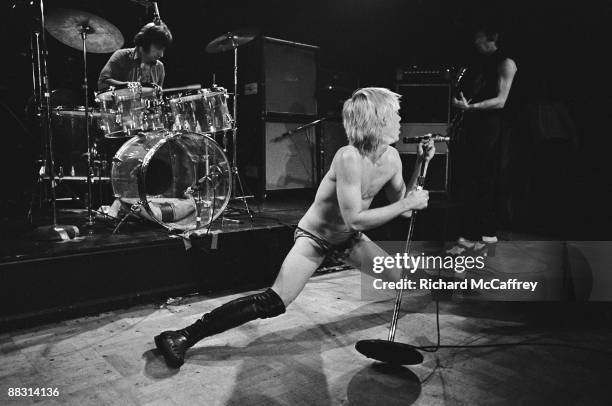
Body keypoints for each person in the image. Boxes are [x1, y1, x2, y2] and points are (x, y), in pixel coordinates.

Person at [154, 87, 435, 368]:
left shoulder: (392, 158)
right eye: (395, 114)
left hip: (348, 239)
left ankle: (452, 285)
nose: (400, 119)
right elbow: (356, 218)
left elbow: (405, 209)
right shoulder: (348, 157)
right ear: (378, 119)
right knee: (273, 302)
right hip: (315, 238)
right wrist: (405, 204)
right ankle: (181, 336)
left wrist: (422, 163)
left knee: (400, 278)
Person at [448, 23, 517, 256]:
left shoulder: (506, 63)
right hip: (476, 126)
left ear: (492, 38)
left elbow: (501, 100)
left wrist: (471, 107)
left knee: (485, 180)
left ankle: (486, 237)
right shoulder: (479, 64)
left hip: (492, 128)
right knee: (472, 180)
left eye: (479, 38)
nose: (475, 43)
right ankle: (471, 235)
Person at [97, 22, 172, 90]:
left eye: (163, 50)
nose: (161, 55)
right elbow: (103, 82)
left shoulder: (159, 67)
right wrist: (130, 86)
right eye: (158, 48)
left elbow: (157, 97)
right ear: (145, 42)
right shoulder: (121, 56)